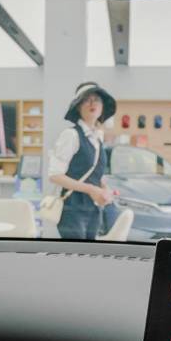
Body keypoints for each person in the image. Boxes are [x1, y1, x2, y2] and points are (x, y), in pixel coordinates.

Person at [48, 82, 116, 240]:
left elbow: (96, 175)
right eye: (87, 99)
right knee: (76, 261)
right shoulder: (71, 135)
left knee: (90, 259)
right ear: (78, 107)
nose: (92, 103)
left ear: (102, 107)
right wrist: (92, 189)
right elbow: (55, 175)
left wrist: (105, 190)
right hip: (73, 211)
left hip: (94, 210)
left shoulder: (97, 139)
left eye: (96, 99)